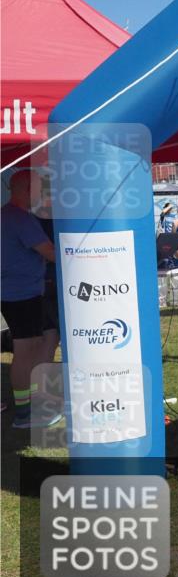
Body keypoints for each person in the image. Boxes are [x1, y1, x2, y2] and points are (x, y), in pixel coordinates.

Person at [1, 170, 63, 428]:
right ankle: (25, 414)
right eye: (37, 188)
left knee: (33, 347)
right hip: (22, 293)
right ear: (26, 189)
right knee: (26, 351)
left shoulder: (6, 214)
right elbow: (51, 253)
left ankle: (32, 405)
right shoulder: (19, 218)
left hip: (17, 292)